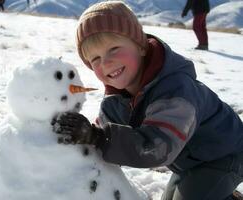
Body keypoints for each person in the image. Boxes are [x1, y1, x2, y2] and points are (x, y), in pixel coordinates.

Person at [51, 1, 243, 199]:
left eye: (114, 48)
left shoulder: (176, 91)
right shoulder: (116, 99)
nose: (106, 62)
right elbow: (103, 128)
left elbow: (157, 147)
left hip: (224, 155)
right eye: (95, 59)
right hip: (188, 160)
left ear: (141, 47)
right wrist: (80, 134)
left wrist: (98, 137)